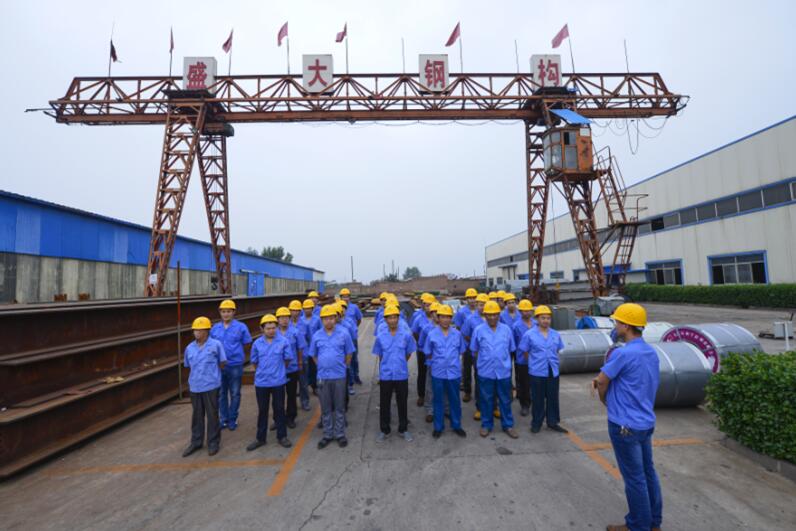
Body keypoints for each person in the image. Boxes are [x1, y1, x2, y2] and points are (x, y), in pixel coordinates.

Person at [593, 303, 662, 531]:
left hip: (624, 424)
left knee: (634, 479)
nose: (615, 325)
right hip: (645, 422)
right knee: (648, 472)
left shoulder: (623, 353)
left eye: (617, 322)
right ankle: (654, 522)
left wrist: (605, 400)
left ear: (626, 326)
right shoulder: (651, 352)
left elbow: (602, 381)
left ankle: (638, 525)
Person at [309, 304, 355, 449]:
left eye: (331, 318)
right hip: (323, 377)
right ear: (321, 320)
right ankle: (327, 434)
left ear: (335, 318)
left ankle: (340, 434)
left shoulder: (344, 333)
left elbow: (349, 353)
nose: (328, 321)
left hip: (339, 376)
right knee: (326, 407)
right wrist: (322, 365)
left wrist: (343, 366)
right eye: (325, 318)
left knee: (340, 407)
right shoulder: (317, 336)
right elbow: (314, 355)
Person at [471, 301, 518, 439]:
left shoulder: (506, 330)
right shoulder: (478, 330)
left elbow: (511, 349)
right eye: (489, 315)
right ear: (484, 315)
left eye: (495, 314)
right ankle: (486, 425)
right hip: (485, 372)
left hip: (503, 371)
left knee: (505, 399)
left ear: (499, 315)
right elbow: (474, 350)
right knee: (486, 399)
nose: (492, 317)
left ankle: (508, 425)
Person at [518, 305, 568, 434]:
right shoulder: (529, 335)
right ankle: (536, 423)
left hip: (552, 370)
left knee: (553, 397)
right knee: (538, 399)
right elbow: (525, 351)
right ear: (537, 319)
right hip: (537, 371)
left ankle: (552, 422)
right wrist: (534, 363)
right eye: (543, 318)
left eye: (548, 318)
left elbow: (558, 349)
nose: (546, 320)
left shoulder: (555, 334)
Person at [246, 314, 293, 451]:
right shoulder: (257, 344)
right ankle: (260, 438)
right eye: (268, 328)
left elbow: (287, 359)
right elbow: (254, 362)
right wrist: (264, 372)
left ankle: (282, 436)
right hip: (262, 383)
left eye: (273, 328)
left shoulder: (283, 342)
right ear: (262, 329)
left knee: (279, 409)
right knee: (262, 410)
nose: (271, 330)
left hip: (278, 381)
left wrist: (278, 371)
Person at [182, 316, 227, 457]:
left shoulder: (216, 345)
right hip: (195, 386)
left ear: (207, 331)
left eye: (200, 330)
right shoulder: (189, 348)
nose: (197, 333)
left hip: (211, 385)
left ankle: (213, 442)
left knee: (212, 415)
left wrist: (213, 376)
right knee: (197, 416)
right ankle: (196, 441)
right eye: (195, 330)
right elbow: (187, 365)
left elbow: (222, 362)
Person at [372, 305, 417, 442]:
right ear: (385, 320)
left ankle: (403, 429)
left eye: (395, 317)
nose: (392, 320)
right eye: (390, 318)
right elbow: (380, 355)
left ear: (398, 318)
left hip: (401, 374)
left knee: (402, 402)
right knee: (384, 403)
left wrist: (400, 363)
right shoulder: (380, 336)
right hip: (386, 375)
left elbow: (408, 353)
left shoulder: (406, 335)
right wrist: (387, 365)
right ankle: (384, 430)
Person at [424, 304, 467, 439]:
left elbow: (461, 351)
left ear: (451, 318)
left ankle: (456, 425)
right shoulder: (432, 334)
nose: (445, 320)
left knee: (455, 399)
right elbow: (428, 352)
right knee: (438, 400)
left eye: (448, 317)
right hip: (438, 372)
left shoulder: (457, 334)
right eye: (442, 317)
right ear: (438, 318)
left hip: (453, 373)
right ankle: (438, 427)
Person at [210, 299, 252, 432]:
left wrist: (238, 355)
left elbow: (247, 343)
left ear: (234, 312)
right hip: (219, 366)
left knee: (235, 393)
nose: (226, 314)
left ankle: (233, 418)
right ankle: (224, 419)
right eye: (223, 311)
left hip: (235, 365)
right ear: (220, 313)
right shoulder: (215, 328)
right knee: (222, 393)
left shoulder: (241, 327)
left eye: (228, 311)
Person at [276, 306, 305, 429]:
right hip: (277, 370)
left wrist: (300, 362)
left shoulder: (295, 332)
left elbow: (300, 348)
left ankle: (291, 417)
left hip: (292, 368)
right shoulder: (273, 332)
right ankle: (278, 419)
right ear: (277, 319)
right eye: (281, 317)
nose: (284, 320)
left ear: (289, 318)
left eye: (286, 317)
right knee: (278, 396)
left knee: (291, 394)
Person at [461, 293, 488, 414]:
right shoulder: (470, 319)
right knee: (470, 371)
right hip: (472, 350)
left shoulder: (493, 318)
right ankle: (469, 393)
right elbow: (465, 333)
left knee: (484, 376)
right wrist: (474, 343)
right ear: (477, 305)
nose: (483, 307)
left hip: (488, 352)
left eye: (485, 304)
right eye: (481, 305)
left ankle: (491, 404)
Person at [512, 299, 536, 417]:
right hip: (522, 360)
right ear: (520, 312)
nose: (526, 313)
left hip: (537, 359)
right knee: (524, 384)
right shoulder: (516, 326)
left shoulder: (537, 324)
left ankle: (536, 403)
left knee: (536, 383)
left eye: (528, 310)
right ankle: (525, 405)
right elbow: (513, 343)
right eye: (524, 311)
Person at [418, 302, 441, 422]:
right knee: (430, 387)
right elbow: (421, 344)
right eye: (434, 312)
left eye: (438, 312)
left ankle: (445, 409)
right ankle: (430, 410)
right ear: (431, 314)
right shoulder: (426, 329)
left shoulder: (448, 329)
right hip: (432, 362)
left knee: (444, 387)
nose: (436, 314)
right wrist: (430, 356)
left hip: (445, 364)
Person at [411, 296, 434, 407]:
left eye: (430, 305)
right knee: (422, 372)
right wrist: (421, 343)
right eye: (426, 305)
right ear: (423, 305)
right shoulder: (418, 318)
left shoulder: (438, 318)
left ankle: (434, 395)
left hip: (435, 351)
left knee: (434, 373)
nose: (428, 307)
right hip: (422, 350)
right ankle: (421, 395)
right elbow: (414, 332)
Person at [289, 300, 312, 411]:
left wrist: (307, 354)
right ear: (290, 311)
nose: (295, 312)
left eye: (297, 310)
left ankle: (305, 401)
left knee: (303, 382)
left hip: (303, 357)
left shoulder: (305, 324)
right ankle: (291, 405)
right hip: (290, 359)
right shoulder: (285, 325)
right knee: (291, 385)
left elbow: (309, 339)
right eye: (293, 310)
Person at [340, 288, 363, 385]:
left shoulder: (354, 307)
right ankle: (349, 378)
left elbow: (359, 319)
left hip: (352, 337)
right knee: (344, 358)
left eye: (347, 296)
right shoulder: (337, 307)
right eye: (343, 297)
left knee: (354, 358)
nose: (345, 298)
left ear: (349, 297)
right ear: (341, 297)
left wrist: (353, 328)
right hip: (341, 338)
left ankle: (356, 376)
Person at [301, 299, 322, 395]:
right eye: (305, 308)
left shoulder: (317, 319)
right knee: (304, 369)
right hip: (304, 348)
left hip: (315, 347)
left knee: (314, 367)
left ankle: (315, 386)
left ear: (312, 309)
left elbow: (321, 331)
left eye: (309, 308)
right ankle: (304, 386)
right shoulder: (301, 320)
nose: (307, 310)